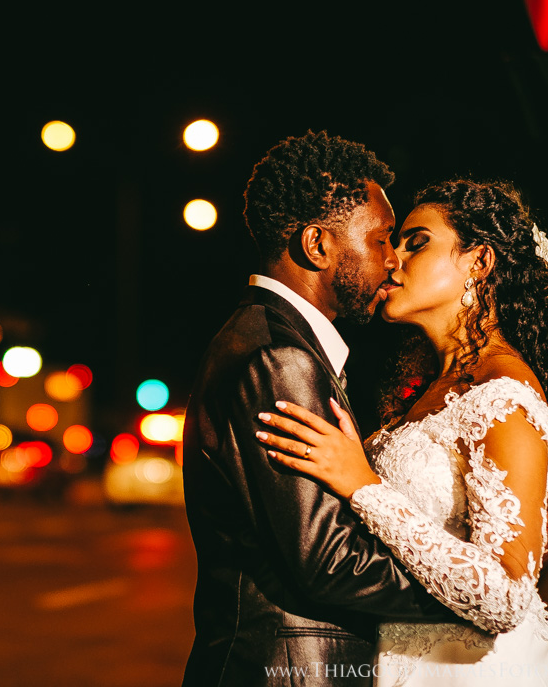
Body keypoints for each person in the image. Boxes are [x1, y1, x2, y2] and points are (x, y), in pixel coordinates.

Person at [256, 179, 548, 686]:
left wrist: (364, 486)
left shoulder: (502, 397)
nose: (393, 259)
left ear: (479, 262)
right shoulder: (433, 387)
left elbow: (506, 597)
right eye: (393, 242)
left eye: (416, 242)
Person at [182, 132, 464, 687]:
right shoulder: (279, 357)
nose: (394, 259)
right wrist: (472, 592)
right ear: (317, 244)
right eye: (383, 239)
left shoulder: (274, 342)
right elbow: (329, 558)